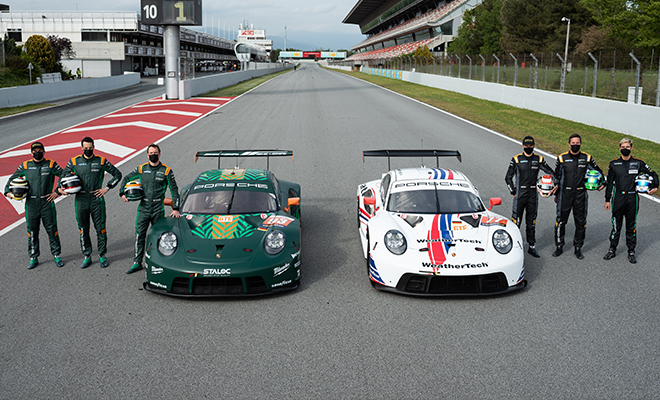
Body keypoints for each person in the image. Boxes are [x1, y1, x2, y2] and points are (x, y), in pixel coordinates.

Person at [58, 137, 123, 268]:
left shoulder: (101, 161)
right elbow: (63, 176)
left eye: (90, 148)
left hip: (96, 198)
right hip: (81, 199)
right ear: (82, 148)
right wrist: (60, 188)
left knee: (101, 229)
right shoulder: (74, 161)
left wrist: (107, 188)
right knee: (83, 229)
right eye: (86, 148)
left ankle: (102, 255)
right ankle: (87, 256)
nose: (88, 150)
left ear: (94, 147)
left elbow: (118, 174)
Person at [120, 144, 180, 274]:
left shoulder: (166, 171)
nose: (153, 155)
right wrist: (122, 193)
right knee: (139, 235)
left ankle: (158, 263)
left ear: (159, 154)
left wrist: (176, 208)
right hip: (144, 208)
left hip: (158, 208)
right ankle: (137, 262)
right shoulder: (141, 169)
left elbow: (174, 189)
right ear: (147, 155)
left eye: (155, 153)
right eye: (151, 153)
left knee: (159, 236)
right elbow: (126, 178)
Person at [4, 142, 64, 269]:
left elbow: (64, 175)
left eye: (39, 150)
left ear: (44, 151)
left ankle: (57, 255)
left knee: (52, 230)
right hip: (31, 204)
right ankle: (33, 257)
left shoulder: (51, 164)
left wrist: (57, 192)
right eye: (35, 151)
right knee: (32, 232)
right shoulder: (25, 166)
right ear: (31, 153)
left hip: (47, 202)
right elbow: (11, 180)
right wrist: (8, 193)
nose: (37, 153)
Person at [603, 138, 658, 263]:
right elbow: (610, 183)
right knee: (616, 226)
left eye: (627, 147)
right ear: (619, 148)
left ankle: (631, 251)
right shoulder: (614, 164)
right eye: (623, 147)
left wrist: (655, 187)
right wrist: (607, 200)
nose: (625, 149)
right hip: (618, 198)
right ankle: (612, 249)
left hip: (632, 198)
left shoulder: (639, 163)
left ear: (632, 148)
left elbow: (653, 174)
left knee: (631, 226)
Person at [552, 134, 605, 259]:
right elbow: (556, 177)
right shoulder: (562, 158)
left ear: (580, 144)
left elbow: (599, 172)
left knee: (580, 222)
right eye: (573, 143)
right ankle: (559, 246)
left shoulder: (587, 158)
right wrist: (556, 193)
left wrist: (603, 183)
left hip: (580, 195)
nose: (575, 145)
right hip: (565, 195)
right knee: (560, 221)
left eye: (577, 143)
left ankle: (578, 248)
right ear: (569, 144)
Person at [505, 136, 555, 258]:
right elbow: (508, 177)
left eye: (530, 145)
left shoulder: (539, 159)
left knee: (531, 222)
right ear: (523, 146)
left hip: (533, 195)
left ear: (533, 146)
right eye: (526, 146)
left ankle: (531, 247)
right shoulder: (516, 159)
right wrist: (513, 192)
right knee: (516, 222)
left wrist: (555, 184)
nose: (528, 147)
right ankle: (514, 246)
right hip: (520, 196)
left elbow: (551, 172)